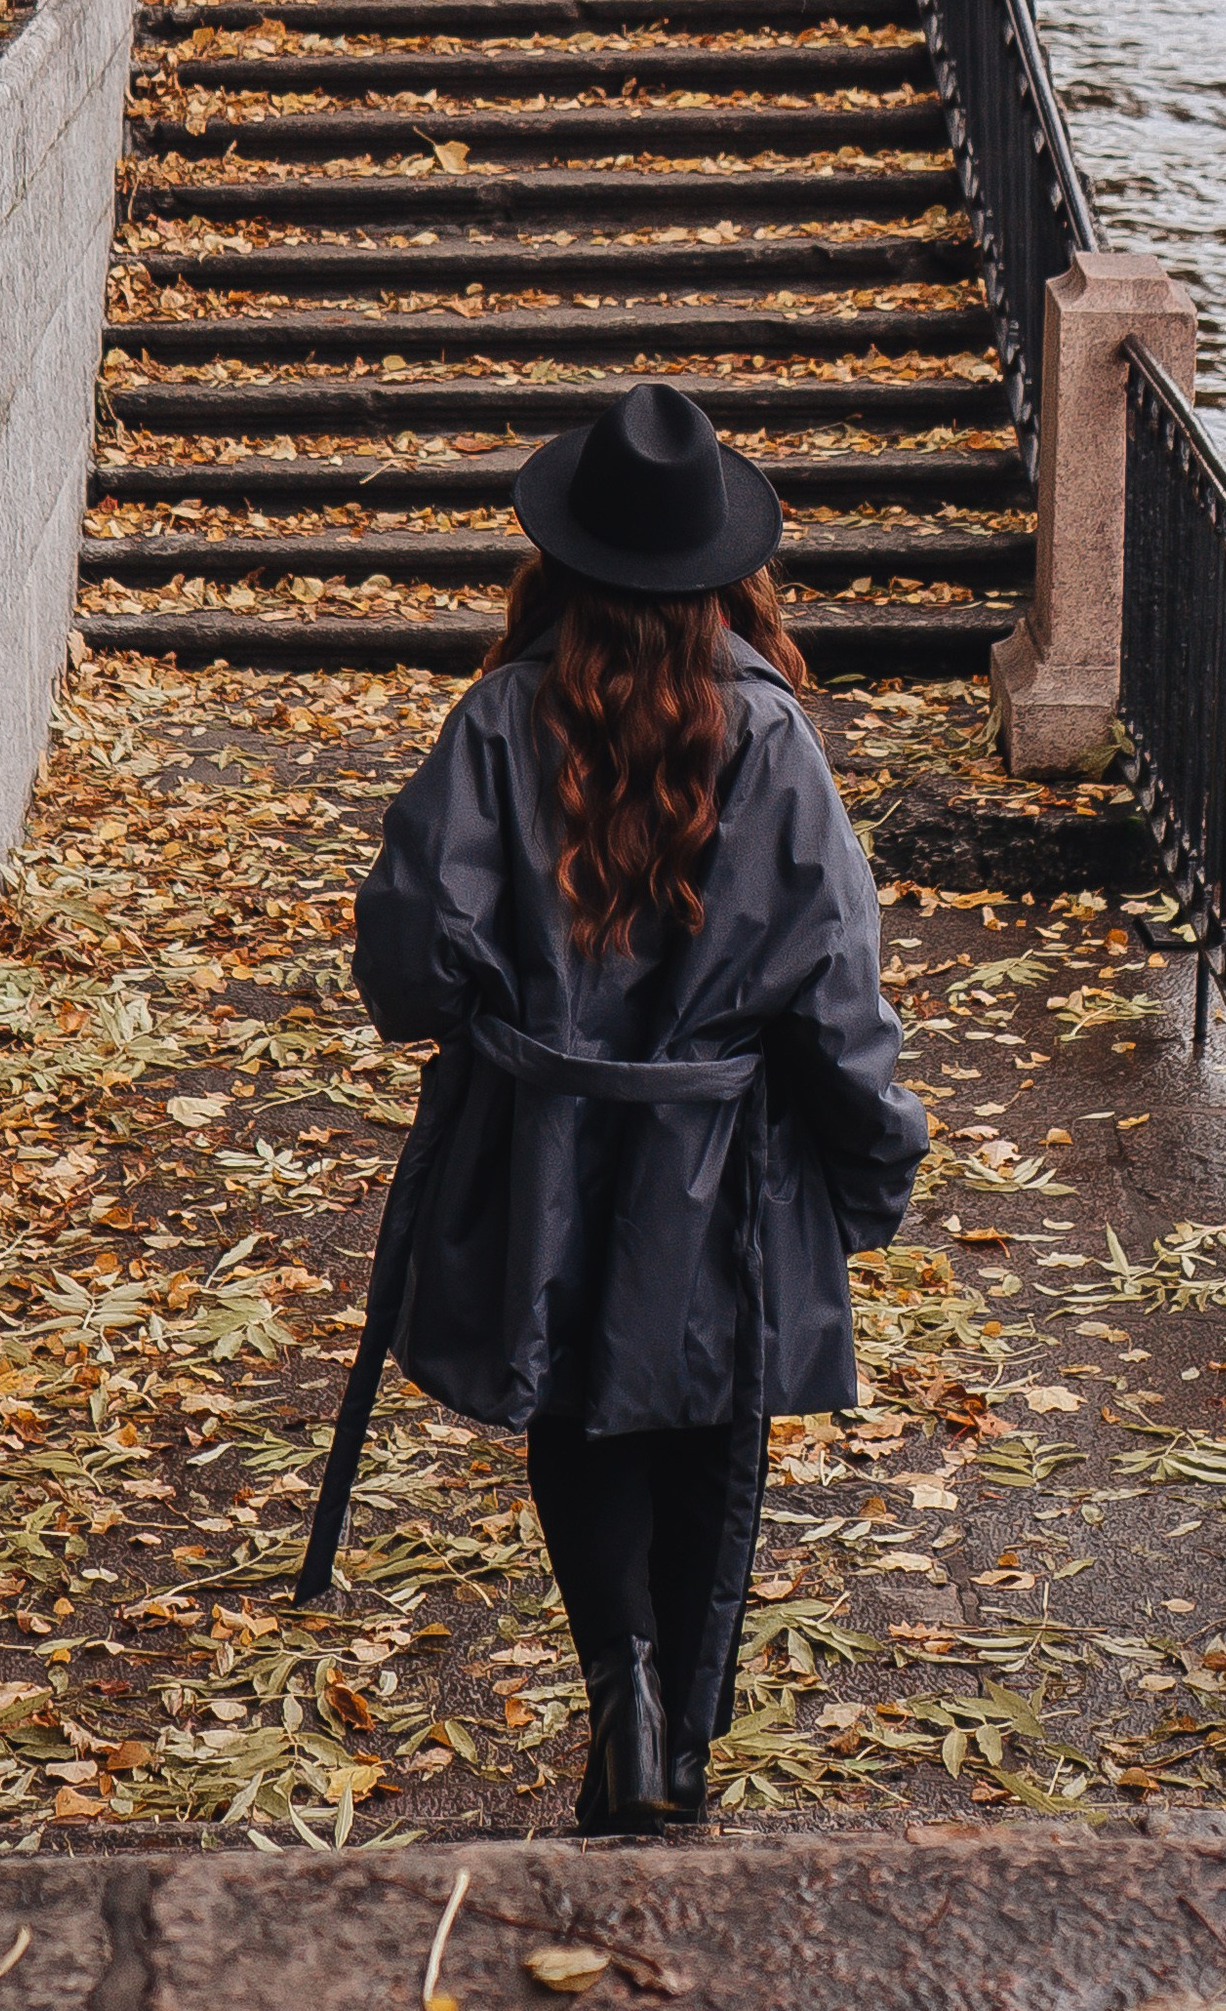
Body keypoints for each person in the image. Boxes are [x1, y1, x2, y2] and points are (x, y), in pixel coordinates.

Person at [300, 379, 928, 1833]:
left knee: (580, 1412)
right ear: (730, 571)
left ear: (566, 556)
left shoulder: (499, 720)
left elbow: (407, 958)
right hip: (730, 1163)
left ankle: (627, 1695)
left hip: (548, 1160)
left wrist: (506, 1037)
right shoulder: (772, 742)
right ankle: (680, 1754)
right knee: (710, 1424)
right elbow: (837, 983)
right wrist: (873, 1160)